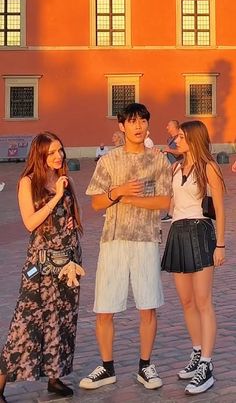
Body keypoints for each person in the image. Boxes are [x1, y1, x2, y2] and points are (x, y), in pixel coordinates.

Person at [79, 103, 172, 391]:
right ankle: (107, 367)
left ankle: (145, 366)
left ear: (147, 124)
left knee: (148, 307)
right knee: (104, 308)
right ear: (121, 126)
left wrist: (130, 200)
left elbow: (164, 202)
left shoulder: (158, 161)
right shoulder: (108, 161)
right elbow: (95, 202)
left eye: (142, 120)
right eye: (132, 121)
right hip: (114, 239)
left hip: (145, 239)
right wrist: (118, 192)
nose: (138, 126)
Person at [0, 132, 85, 402]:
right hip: (40, 265)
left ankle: (54, 376)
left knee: (62, 321)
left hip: (67, 263)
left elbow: (68, 217)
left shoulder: (63, 179)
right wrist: (56, 197)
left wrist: (71, 222)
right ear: (40, 155)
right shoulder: (28, 182)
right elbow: (29, 223)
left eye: (60, 150)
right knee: (25, 324)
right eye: (51, 153)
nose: (58, 156)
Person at [161, 120, 225, 395]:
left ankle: (207, 366)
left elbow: (220, 210)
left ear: (194, 139)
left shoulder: (209, 167)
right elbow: (170, 204)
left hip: (200, 232)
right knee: (186, 301)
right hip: (178, 231)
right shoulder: (176, 167)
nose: (177, 140)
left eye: (182, 137)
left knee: (203, 301)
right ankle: (197, 353)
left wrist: (220, 245)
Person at [161, 119, 182, 222]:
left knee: (174, 190)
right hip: (171, 167)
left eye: (168, 125)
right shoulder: (170, 139)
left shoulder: (180, 137)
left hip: (178, 167)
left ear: (174, 127)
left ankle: (171, 213)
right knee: (173, 190)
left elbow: (179, 152)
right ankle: (172, 212)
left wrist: (168, 150)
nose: (166, 127)